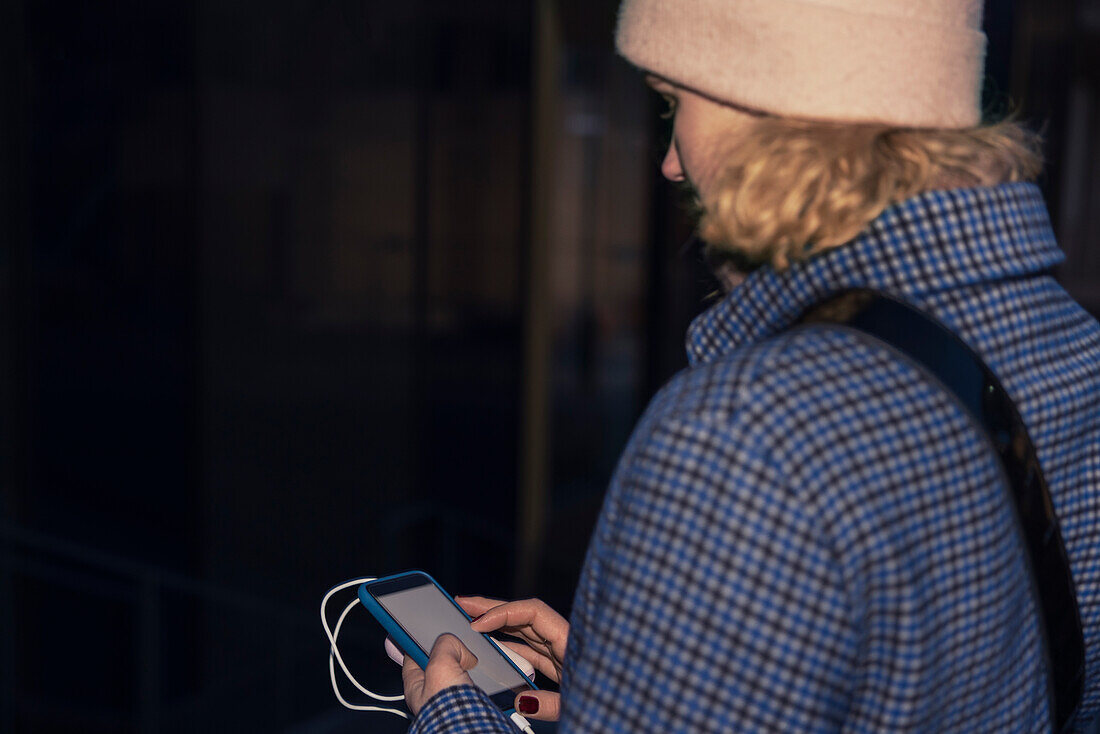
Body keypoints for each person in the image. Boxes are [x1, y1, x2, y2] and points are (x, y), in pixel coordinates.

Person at [401, 0, 1100, 730]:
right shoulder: (1068, 350)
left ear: (780, 104)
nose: (669, 161)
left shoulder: (744, 434)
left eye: (676, 104)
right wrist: (644, 686)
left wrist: (453, 713)